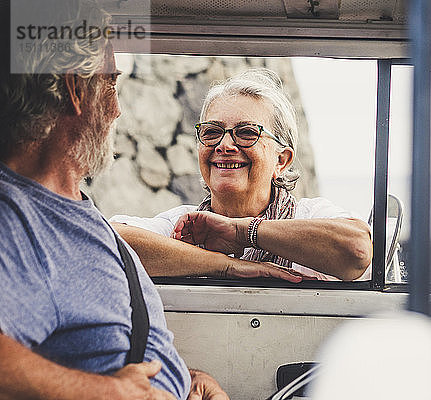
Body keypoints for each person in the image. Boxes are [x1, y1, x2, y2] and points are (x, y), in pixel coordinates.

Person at [0, 1, 227, 399]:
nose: (117, 109)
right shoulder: (16, 220)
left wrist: (180, 376)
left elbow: (94, 340)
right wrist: (101, 390)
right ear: (75, 88)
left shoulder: (69, 206)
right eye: (110, 84)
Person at [111, 68, 373, 281]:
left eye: (247, 132)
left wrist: (243, 232)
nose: (224, 145)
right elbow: (104, 242)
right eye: (212, 132)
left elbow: (358, 250)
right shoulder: (183, 229)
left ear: (281, 160)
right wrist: (225, 265)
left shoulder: (311, 217)